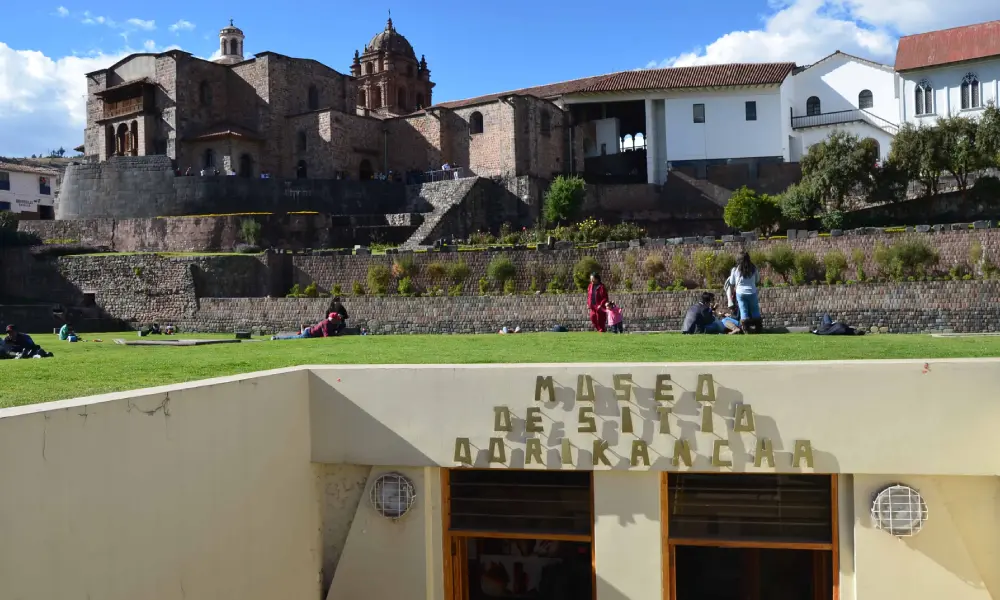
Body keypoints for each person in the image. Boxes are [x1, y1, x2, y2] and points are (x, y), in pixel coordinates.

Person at [727, 251, 763, 334]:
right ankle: (758, 328)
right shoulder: (753, 268)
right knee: (755, 310)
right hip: (752, 291)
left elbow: (732, 282)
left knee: (743, 310)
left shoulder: (735, 269)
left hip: (740, 293)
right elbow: (757, 279)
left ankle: (746, 329)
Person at [271, 313, 341, 340]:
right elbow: (327, 336)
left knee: (295, 337)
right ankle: (276, 338)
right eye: (336, 320)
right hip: (308, 333)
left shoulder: (329, 323)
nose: (337, 321)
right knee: (293, 338)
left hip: (309, 331)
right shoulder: (325, 323)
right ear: (333, 319)